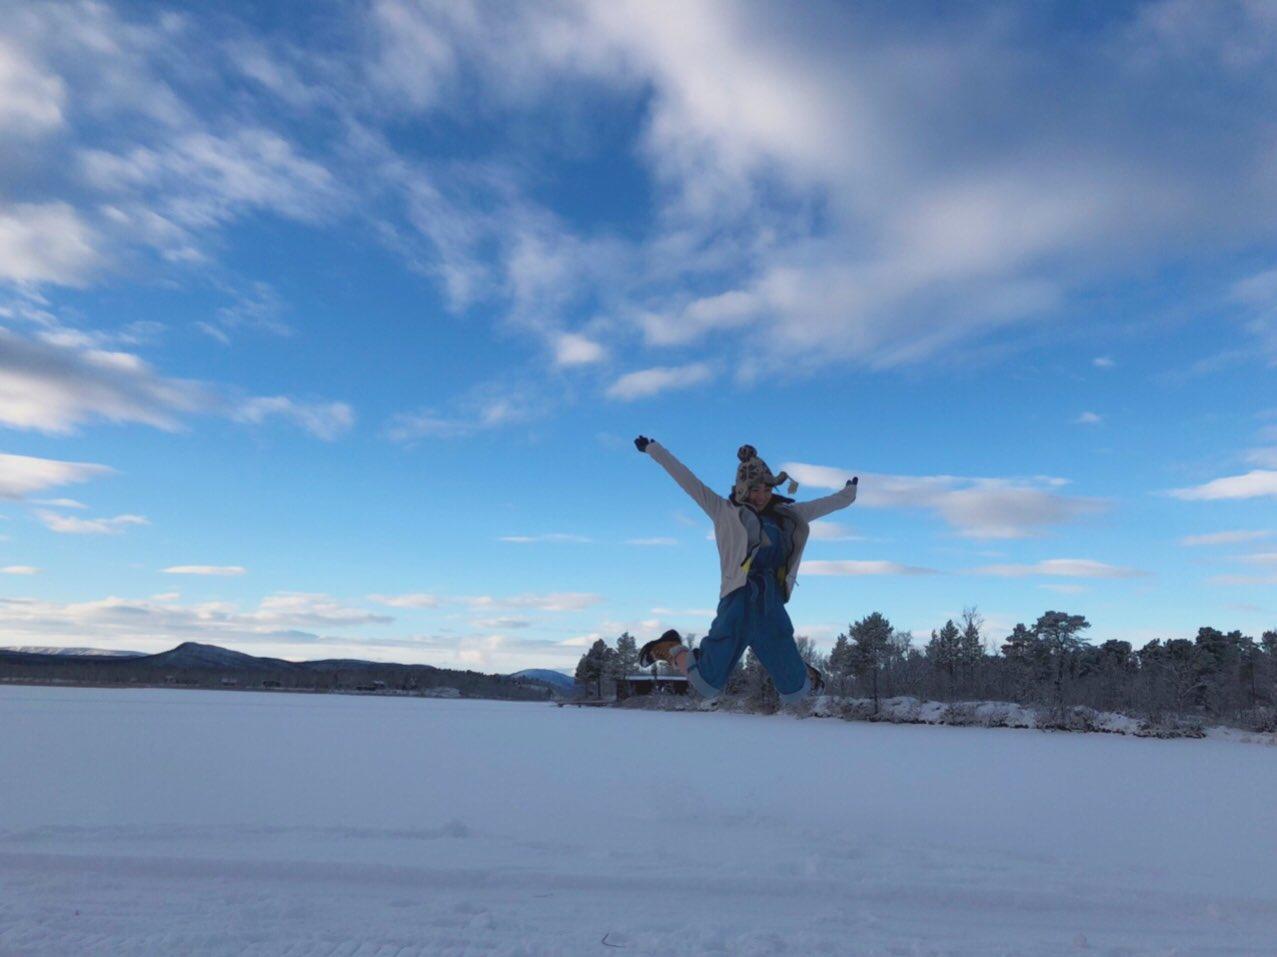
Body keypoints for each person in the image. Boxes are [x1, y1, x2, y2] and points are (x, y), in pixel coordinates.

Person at [633, 436, 858, 705]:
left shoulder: (787, 514)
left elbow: (823, 505)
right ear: (741, 489)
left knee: (796, 690)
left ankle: (802, 670)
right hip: (736, 601)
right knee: (706, 683)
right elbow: (687, 479)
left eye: (766, 488)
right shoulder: (723, 510)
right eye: (754, 490)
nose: (761, 496)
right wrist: (654, 450)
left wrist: (848, 494)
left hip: (770, 603)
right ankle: (669, 646)